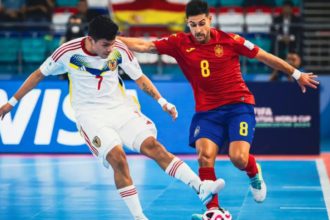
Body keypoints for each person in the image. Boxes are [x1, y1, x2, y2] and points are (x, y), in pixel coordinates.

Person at [0, 15, 225, 220]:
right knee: (118, 158)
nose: (110, 49)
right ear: (90, 40)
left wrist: (162, 101)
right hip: (90, 115)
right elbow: (38, 74)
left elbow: (140, 78)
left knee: (153, 146)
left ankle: (200, 187)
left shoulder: (119, 49)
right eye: (105, 45)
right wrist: (11, 103)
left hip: (120, 108)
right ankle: (139, 217)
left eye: (112, 43)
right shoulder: (67, 52)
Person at [117, 0, 319, 218]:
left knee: (238, 158)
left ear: (210, 19)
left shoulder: (230, 40)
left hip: (238, 106)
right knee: (205, 156)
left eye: (202, 23)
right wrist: (112, 40)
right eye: (193, 25)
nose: (198, 30)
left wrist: (296, 73)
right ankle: (213, 209)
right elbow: (146, 46)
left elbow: (263, 56)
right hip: (207, 112)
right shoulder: (179, 43)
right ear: (188, 24)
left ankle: (254, 171)